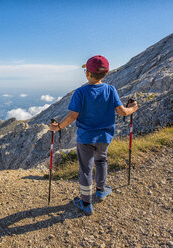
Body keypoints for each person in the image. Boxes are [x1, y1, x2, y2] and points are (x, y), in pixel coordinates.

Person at [49, 55, 138, 215]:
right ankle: (100, 190)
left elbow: (72, 116)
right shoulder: (111, 90)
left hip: (85, 138)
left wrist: (58, 127)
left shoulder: (81, 92)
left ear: (87, 73)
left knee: (85, 168)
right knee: (102, 161)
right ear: (107, 73)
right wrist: (133, 108)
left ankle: (85, 202)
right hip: (104, 137)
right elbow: (122, 112)